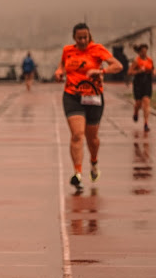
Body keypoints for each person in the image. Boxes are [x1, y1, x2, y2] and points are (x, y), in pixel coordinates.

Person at [54, 22, 122, 190]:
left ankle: (94, 162)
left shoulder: (97, 49)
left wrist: (101, 71)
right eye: (79, 38)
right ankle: (77, 174)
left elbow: (118, 66)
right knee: (77, 134)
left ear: (89, 36)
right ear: (74, 38)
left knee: (92, 139)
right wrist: (59, 71)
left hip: (93, 97)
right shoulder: (67, 50)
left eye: (85, 37)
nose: (83, 41)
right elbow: (62, 65)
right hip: (72, 96)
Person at [128, 44, 154, 132]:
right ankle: (136, 112)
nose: (144, 53)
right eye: (142, 51)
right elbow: (129, 72)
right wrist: (139, 71)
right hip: (138, 83)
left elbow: (153, 69)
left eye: (145, 51)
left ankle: (146, 124)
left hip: (147, 82)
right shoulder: (136, 61)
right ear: (139, 52)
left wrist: (154, 72)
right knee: (138, 103)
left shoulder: (150, 60)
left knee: (146, 102)